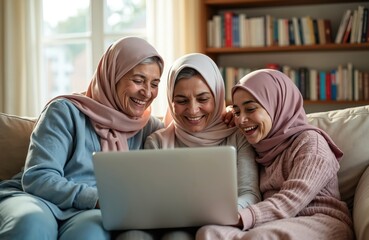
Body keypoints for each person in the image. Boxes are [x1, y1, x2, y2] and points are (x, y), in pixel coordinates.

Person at [0, 36, 165, 240]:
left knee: (90, 234)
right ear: (112, 76)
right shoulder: (64, 111)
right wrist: (97, 198)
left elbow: (185, 139)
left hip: (87, 213)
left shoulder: (149, 128)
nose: (147, 92)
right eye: (138, 80)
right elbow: (38, 178)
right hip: (36, 199)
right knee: (31, 224)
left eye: (154, 83)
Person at [196, 69, 354, 240]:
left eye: (250, 109)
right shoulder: (258, 143)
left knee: (259, 237)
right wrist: (226, 115)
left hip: (319, 221)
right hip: (272, 223)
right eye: (237, 112)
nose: (241, 120)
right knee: (209, 233)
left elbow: (290, 200)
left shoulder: (311, 144)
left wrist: (240, 217)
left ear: (276, 105)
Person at [117, 53, 261, 240]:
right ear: (171, 101)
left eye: (203, 99)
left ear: (217, 96)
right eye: (182, 101)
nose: (193, 110)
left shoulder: (238, 137)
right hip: (165, 223)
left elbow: (250, 194)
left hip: (219, 225)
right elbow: (149, 200)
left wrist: (216, 215)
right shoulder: (157, 141)